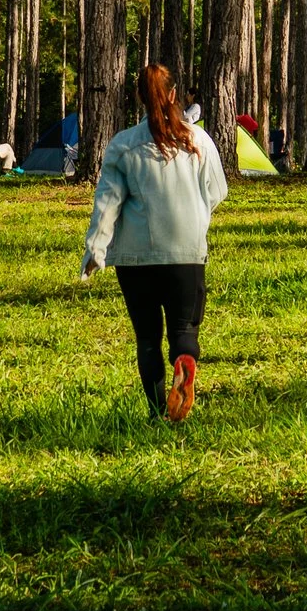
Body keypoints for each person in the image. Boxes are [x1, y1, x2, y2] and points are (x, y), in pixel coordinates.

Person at [81, 64, 230, 421]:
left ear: (140, 99)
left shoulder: (123, 145)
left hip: (135, 259)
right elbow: (218, 191)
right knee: (183, 329)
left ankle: (156, 410)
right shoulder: (199, 140)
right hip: (186, 253)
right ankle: (184, 361)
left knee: (147, 338)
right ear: (175, 96)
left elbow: (108, 202)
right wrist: (195, 216)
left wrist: (96, 250)